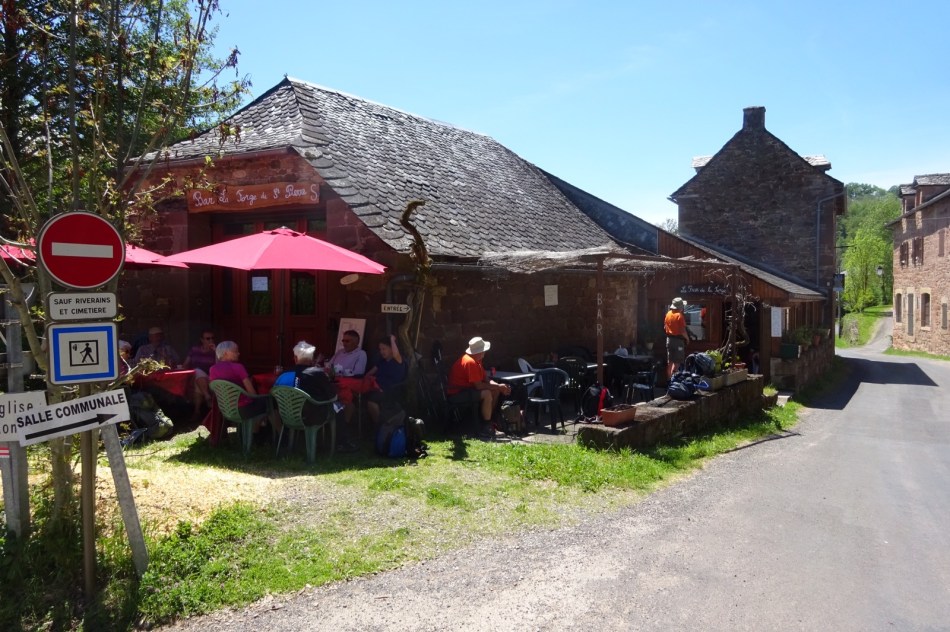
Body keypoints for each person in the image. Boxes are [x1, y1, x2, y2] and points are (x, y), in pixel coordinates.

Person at [275, 340, 356, 452]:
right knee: (338, 406)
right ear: (312, 359)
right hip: (311, 416)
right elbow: (332, 396)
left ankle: (284, 440)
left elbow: (275, 398)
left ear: (295, 358)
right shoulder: (317, 373)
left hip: (287, 416)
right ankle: (342, 443)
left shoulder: (283, 375)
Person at [446, 336, 511, 438]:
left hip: (468, 390)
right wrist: (499, 386)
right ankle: (486, 427)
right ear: (480, 352)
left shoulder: (477, 360)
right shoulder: (470, 362)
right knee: (487, 394)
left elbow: (486, 379)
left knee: (495, 391)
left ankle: (489, 420)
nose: (485, 352)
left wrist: (498, 386)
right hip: (457, 393)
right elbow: (479, 386)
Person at [208, 340, 271, 435]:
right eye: (235, 351)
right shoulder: (238, 367)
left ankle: (251, 430)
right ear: (226, 353)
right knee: (271, 402)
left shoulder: (212, 369)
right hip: (243, 409)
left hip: (225, 409)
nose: (238, 353)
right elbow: (252, 393)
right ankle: (262, 433)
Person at [365, 334, 408, 425]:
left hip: (391, 391)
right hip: (376, 388)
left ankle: (379, 425)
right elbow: (369, 373)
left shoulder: (398, 360)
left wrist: (392, 339)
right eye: (380, 349)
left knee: (371, 401)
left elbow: (396, 354)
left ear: (391, 349)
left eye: (384, 349)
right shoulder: (382, 362)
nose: (381, 352)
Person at [182, 329, 217, 419]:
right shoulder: (195, 350)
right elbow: (186, 363)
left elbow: (220, 366)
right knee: (197, 371)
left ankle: (197, 411)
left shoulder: (217, 351)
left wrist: (216, 352)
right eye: (208, 338)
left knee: (198, 384)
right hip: (196, 375)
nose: (211, 340)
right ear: (202, 340)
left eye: (212, 338)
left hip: (211, 376)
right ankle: (207, 398)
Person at [664, 297, 690, 380]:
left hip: (669, 340)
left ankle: (669, 380)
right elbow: (683, 331)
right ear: (680, 307)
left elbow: (665, 327)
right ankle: (674, 379)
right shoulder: (679, 315)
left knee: (670, 361)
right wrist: (687, 339)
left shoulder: (668, 314)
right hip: (678, 341)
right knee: (677, 361)